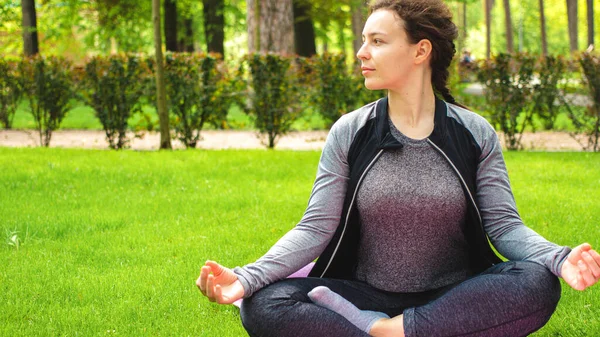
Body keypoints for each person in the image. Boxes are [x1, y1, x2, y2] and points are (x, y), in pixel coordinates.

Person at [197, 0, 600, 336]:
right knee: (264, 303)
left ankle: (397, 331)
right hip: (366, 294)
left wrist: (557, 258)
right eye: (363, 41)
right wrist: (247, 278)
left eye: (377, 41)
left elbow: (504, 226)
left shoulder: (473, 132)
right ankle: (399, 328)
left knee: (536, 282)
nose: (361, 52)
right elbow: (314, 228)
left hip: (456, 294)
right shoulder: (351, 131)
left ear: (420, 51)